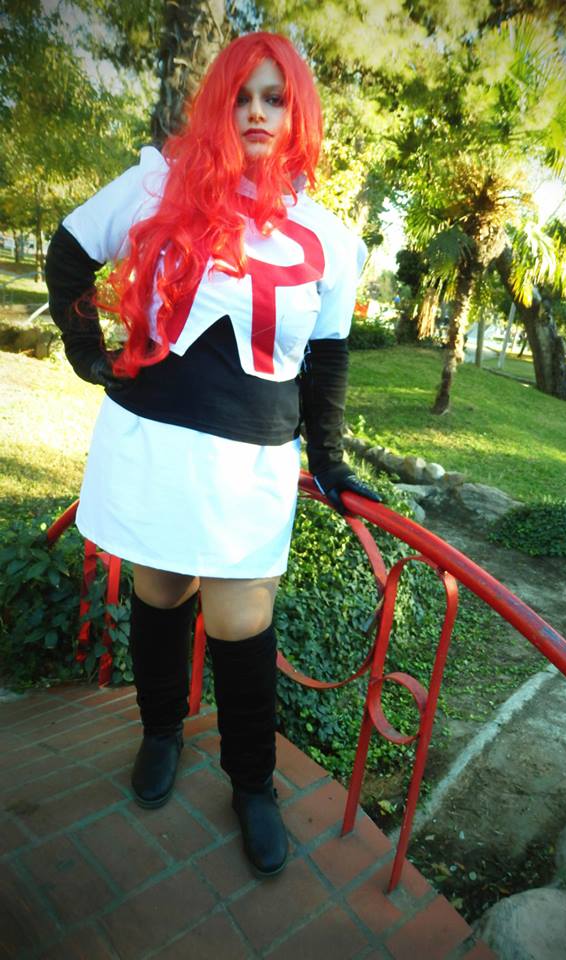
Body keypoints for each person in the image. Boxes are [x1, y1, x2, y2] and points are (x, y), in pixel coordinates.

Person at [45, 31, 381, 879]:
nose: (257, 113)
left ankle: (252, 783)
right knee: (160, 591)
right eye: (242, 97)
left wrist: (330, 459)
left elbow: (328, 359)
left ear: (297, 112)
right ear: (218, 106)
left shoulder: (328, 238)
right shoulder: (157, 184)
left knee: (241, 619)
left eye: (275, 98)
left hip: (250, 462)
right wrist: (87, 353)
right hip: (150, 440)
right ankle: (161, 731)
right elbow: (69, 252)